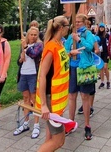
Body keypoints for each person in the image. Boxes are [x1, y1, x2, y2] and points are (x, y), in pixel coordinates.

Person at [35, 16, 71, 152]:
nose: (69, 28)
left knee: (50, 137)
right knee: (58, 141)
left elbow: (58, 63)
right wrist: (44, 105)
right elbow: (43, 75)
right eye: (68, 26)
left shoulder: (59, 44)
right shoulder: (51, 47)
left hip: (57, 99)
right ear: (61, 28)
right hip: (51, 100)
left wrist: (69, 54)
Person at [64, 13, 96, 140]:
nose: (76, 24)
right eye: (75, 22)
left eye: (79, 22)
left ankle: (87, 125)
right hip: (72, 68)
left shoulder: (88, 34)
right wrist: (69, 52)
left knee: (85, 96)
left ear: (84, 22)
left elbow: (89, 48)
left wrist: (79, 39)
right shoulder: (70, 36)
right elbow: (65, 50)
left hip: (85, 68)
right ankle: (70, 123)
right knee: (72, 96)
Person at [13, 27, 43, 138]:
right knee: (26, 98)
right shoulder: (23, 44)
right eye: (32, 34)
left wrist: (26, 46)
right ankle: (25, 123)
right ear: (28, 35)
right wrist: (21, 58)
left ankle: (36, 124)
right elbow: (18, 61)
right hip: (24, 73)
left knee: (34, 99)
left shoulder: (39, 45)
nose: (34, 36)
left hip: (33, 74)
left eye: (36, 34)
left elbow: (34, 54)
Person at [97, 23, 110, 89]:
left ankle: (108, 81)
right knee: (101, 68)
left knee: (105, 67)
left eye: (102, 27)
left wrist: (108, 54)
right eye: (100, 27)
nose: (101, 28)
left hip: (105, 53)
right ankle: (102, 82)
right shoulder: (97, 35)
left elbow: (108, 44)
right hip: (100, 53)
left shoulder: (107, 35)